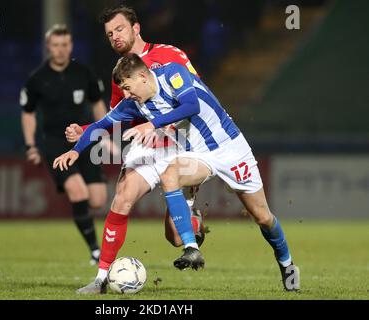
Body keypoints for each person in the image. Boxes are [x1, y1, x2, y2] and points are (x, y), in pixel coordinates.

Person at [54, 53, 301, 292]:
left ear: (142, 76)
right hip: (196, 154)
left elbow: (190, 106)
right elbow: (101, 125)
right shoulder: (134, 104)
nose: (126, 95)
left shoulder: (172, 73)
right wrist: (76, 151)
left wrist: (151, 125)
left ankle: (287, 265)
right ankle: (191, 248)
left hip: (230, 148)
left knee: (263, 217)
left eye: (128, 88)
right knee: (169, 175)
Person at [61, 5, 206, 294]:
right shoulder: (121, 72)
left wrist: (168, 128)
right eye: (109, 33)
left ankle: (193, 224)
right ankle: (101, 279)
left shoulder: (169, 55)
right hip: (145, 145)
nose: (114, 36)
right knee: (121, 199)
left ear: (136, 28)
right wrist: (86, 132)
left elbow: (198, 99)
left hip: (178, 143)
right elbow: (118, 116)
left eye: (119, 29)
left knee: (175, 238)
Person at [20, 24, 108, 265]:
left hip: (84, 138)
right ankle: (95, 251)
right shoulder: (37, 79)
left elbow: (98, 103)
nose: (60, 50)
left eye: (65, 45)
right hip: (54, 143)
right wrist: (31, 146)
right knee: (77, 190)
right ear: (49, 47)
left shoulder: (84, 73)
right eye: (56, 45)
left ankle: (93, 244)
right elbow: (27, 113)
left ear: (71, 46)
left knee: (98, 199)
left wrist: (107, 135)